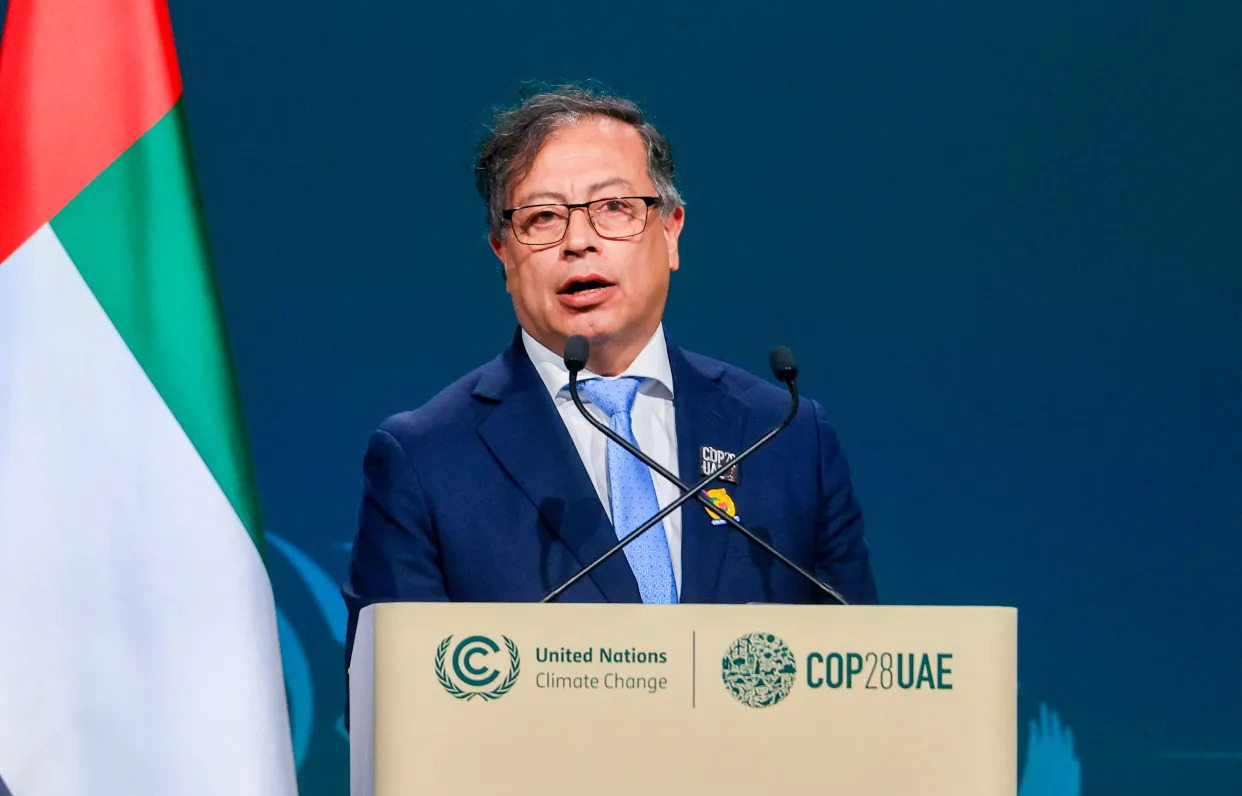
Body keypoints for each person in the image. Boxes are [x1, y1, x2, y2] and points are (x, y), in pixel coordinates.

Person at [341, 84, 878, 672]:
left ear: (671, 231)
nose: (579, 241)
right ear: (502, 254)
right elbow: (394, 714)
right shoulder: (426, 460)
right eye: (542, 217)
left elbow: (856, 681)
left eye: (614, 208)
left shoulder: (787, 436)